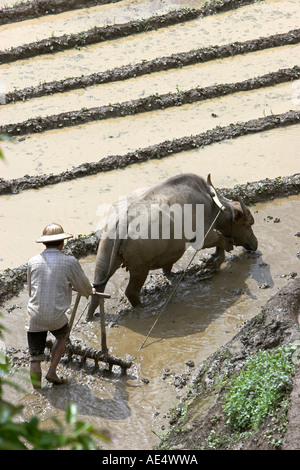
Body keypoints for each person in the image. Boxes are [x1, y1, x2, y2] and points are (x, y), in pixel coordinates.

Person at [26, 223, 94, 388]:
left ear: (44, 243)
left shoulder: (32, 262)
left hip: (34, 316)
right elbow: (83, 286)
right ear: (62, 242)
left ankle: (37, 391)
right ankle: (52, 371)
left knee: (35, 358)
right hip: (56, 317)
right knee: (62, 336)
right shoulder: (69, 262)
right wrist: (90, 290)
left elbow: (30, 290)